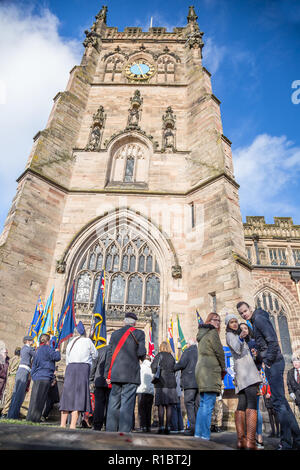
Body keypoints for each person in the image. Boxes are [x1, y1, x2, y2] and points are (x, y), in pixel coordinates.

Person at [237, 301, 300, 450]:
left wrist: (268, 361)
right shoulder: (255, 320)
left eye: (245, 311)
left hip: (274, 363)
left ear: (250, 308)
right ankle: (296, 439)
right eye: (241, 313)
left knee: (278, 404)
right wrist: (247, 339)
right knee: (281, 402)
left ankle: (286, 443)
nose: (244, 314)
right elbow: (261, 345)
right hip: (274, 362)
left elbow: (272, 341)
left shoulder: (258, 318)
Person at [104, 312, 146, 433]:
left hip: (116, 374)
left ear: (124, 322)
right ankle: (123, 433)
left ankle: (110, 432)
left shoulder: (115, 334)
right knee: (127, 405)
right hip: (131, 374)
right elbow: (141, 353)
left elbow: (109, 355)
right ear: (135, 323)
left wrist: (107, 374)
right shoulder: (139, 333)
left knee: (113, 404)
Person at [225, 313, 262, 450]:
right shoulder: (231, 335)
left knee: (242, 404)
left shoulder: (236, 336)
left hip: (243, 374)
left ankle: (241, 440)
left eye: (236, 321)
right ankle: (250, 442)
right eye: (232, 322)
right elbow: (236, 348)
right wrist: (241, 337)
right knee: (251, 404)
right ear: (228, 325)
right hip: (247, 374)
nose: (234, 324)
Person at [60, 321, 98, 429]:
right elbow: (95, 354)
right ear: (84, 333)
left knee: (67, 395)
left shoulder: (71, 342)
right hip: (82, 368)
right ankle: (72, 425)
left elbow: (67, 358)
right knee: (79, 396)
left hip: (70, 368)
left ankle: (62, 424)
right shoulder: (87, 341)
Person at [194, 312, 226, 441]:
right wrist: (223, 368)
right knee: (208, 404)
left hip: (201, 370)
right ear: (209, 320)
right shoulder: (212, 333)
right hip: (210, 370)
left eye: (219, 320)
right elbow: (219, 352)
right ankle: (205, 436)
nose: (217, 322)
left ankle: (198, 433)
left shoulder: (202, 334)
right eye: (215, 320)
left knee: (203, 404)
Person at [240, 321, 264, 448]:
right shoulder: (238, 344)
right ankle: (249, 436)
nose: (244, 330)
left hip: (253, 378)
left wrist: (256, 356)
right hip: (242, 379)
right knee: (244, 408)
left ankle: (259, 435)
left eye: (245, 328)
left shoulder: (253, 343)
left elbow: (260, 361)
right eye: (241, 329)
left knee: (255, 409)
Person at [26, 333, 61, 422]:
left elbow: (34, 364)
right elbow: (57, 357)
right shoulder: (48, 349)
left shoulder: (38, 350)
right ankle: (35, 418)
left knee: (34, 398)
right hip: (45, 376)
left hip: (37, 376)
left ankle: (30, 417)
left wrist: (33, 376)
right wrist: (57, 351)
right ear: (48, 341)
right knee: (41, 398)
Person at [174, 339, 199, 435]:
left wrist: (172, 367)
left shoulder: (187, 351)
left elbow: (181, 364)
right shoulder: (199, 351)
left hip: (189, 383)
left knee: (189, 404)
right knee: (197, 405)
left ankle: (192, 428)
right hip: (199, 382)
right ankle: (198, 428)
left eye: (187, 344)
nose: (186, 345)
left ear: (189, 344)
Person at [151, 341, 177, 434]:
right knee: (169, 406)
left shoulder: (159, 355)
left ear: (161, 347)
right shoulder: (171, 357)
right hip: (171, 384)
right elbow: (175, 368)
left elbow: (153, 367)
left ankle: (161, 427)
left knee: (161, 406)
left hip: (161, 384)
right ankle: (168, 427)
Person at [7, 335, 35, 419]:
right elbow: (36, 355)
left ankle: (11, 414)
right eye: (31, 341)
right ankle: (13, 415)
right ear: (27, 341)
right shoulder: (28, 349)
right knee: (19, 394)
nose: (32, 342)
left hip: (22, 371)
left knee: (16, 393)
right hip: (24, 370)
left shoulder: (24, 348)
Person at [90, 341, 111, 431]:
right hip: (110, 381)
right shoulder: (115, 351)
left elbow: (93, 366)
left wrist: (91, 379)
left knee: (99, 404)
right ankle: (107, 424)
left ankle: (97, 425)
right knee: (109, 404)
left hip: (99, 380)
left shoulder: (99, 350)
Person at [1, 347, 21, 418]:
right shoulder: (19, 359)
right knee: (11, 395)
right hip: (14, 378)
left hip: (9, 378)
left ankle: (5, 412)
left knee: (8, 396)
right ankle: (5, 412)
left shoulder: (11, 359)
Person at [136, 355, 154, 432]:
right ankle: (148, 426)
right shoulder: (153, 367)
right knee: (149, 410)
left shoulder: (141, 367)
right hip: (150, 391)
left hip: (142, 390)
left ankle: (142, 426)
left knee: (141, 410)